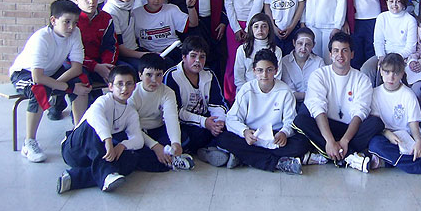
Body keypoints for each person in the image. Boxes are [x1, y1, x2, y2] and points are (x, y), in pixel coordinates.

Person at [10, 0, 91, 162]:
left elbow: (76, 68)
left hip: (53, 71)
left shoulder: (75, 33)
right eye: (66, 22)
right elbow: (37, 77)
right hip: (25, 74)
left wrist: (61, 86)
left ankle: (77, 135)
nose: (71, 27)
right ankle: (29, 142)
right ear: (53, 20)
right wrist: (67, 88)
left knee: (82, 81)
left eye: (75, 22)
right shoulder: (41, 38)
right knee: (40, 89)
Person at [292, 32, 384, 173]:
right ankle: (349, 157)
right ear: (330, 54)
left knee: (375, 123)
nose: (340, 55)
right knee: (301, 120)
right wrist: (329, 141)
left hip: (350, 129)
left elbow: (360, 112)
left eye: (344, 50)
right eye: (336, 51)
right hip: (326, 126)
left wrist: (345, 141)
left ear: (352, 54)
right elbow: (318, 108)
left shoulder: (362, 79)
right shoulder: (319, 75)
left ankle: (330, 154)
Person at [217, 49, 309, 174]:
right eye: (260, 70)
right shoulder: (247, 90)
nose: (264, 75)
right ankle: (278, 163)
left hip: (275, 136)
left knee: (301, 143)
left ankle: (244, 157)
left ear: (276, 71)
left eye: (269, 70)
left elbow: (290, 120)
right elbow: (232, 118)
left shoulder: (285, 91)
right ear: (254, 71)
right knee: (224, 138)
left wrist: (284, 133)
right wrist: (244, 131)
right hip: (251, 135)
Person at [56, 65, 143, 194]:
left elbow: (138, 140)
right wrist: (108, 140)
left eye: (129, 84)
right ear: (110, 86)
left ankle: (73, 178)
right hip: (75, 150)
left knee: (130, 160)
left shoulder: (131, 112)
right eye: (120, 84)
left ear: (134, 87)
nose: (124, 88)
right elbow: (94, 116)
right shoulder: (103, 101)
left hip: (96, 156)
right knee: (91, 124)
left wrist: (122, 146)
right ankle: (107, 173)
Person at [368, 54, 421, 175]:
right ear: (381, 71)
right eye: (387, 72)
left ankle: (387, 161)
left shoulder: (408, 94)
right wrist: (388, 134)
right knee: (374, 145)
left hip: (407, 137)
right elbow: (376, 124)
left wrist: (418, 141)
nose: (391, 77)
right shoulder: (375, 93)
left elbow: (414, 125)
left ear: (402, 73)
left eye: (395, 73)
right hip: (387, 136)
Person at [164, 36, 229, 166]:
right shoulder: (172, 76)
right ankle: (212, 149)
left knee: (229, 126)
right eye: (193, 56)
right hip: (185, 123)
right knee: (185, 137)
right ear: (184, 57)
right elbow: (174, 112)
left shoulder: (209, 74)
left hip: (207, 121)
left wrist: (218, 122)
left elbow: (218, 103)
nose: (197, 61)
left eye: (202, 57)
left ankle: (212, 149)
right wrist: (204, 122)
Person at [128, 53, 195, 172]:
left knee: (184, 138)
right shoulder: (132, 94)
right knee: (135, 148)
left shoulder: (167, 92)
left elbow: (171, 118)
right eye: (149, 75)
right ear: (140, 75)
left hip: (158, 130)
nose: (154, 80)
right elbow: (132, 127)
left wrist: (176, 143)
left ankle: (167, 157)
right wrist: (155, 147)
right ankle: (167, 160)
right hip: (139, 132)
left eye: (158, 75)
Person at [223, 0, 266, 102]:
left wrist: (249, 28)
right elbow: (228, 2)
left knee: (252, 61)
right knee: (234, 62)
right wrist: (236, 28)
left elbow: (258, 2)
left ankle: (252, 97)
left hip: (254, 26)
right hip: (234, 25)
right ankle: (231, 98)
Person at [133, 0, 198, 68]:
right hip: (149, 53)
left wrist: (190, 7)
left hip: (172, 49)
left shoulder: (171, 9)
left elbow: (193, 23)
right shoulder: (136, 14)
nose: (156, 1)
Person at [360, 0, 417, 87]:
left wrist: (394, 58)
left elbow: (410, 48)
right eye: (391, 1)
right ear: (387, 2)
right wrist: (381, 56)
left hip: (402, 57)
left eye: (398, 1)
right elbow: (378, 41)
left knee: (391, 69)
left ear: (403, 3)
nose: (394, 5)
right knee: (366, 68)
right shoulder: (382, 17)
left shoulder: (410, 20)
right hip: (383, 55)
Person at [73, 0, 118, 89]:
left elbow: (111, 46)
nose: (91, 2)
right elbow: (70, 53)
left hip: (101, 63)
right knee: (82, 79)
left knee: (125, 73)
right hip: (78, 63)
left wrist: (106, 66)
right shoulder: (71, 20)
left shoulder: (106, 18)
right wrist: (95, 67)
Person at [102, 0, 145, 70]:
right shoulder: (110, 12)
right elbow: (121, 49)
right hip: (122, 55)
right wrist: (146, 55)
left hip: (135, 48)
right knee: (143, 68)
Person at [234, 13, 283, 93]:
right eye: (256, 26)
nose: (260, 30)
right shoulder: (242, 49)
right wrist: (246, 92)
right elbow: (239, 77)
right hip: (247, 91)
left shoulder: (276, 50)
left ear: (269, 29)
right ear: (251, 29)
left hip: (270, 92)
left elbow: (277, 76)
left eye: (264, 26)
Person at [280, 28, 325, 104]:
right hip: (291, 102)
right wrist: (309, 94)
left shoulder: (319, 62)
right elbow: (289, 92)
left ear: (313, 45)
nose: (303, 48)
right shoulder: (285, 62)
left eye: (308, 44)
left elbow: (320, 89)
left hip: (314, 102)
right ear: (294, 43)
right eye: (300, 43)